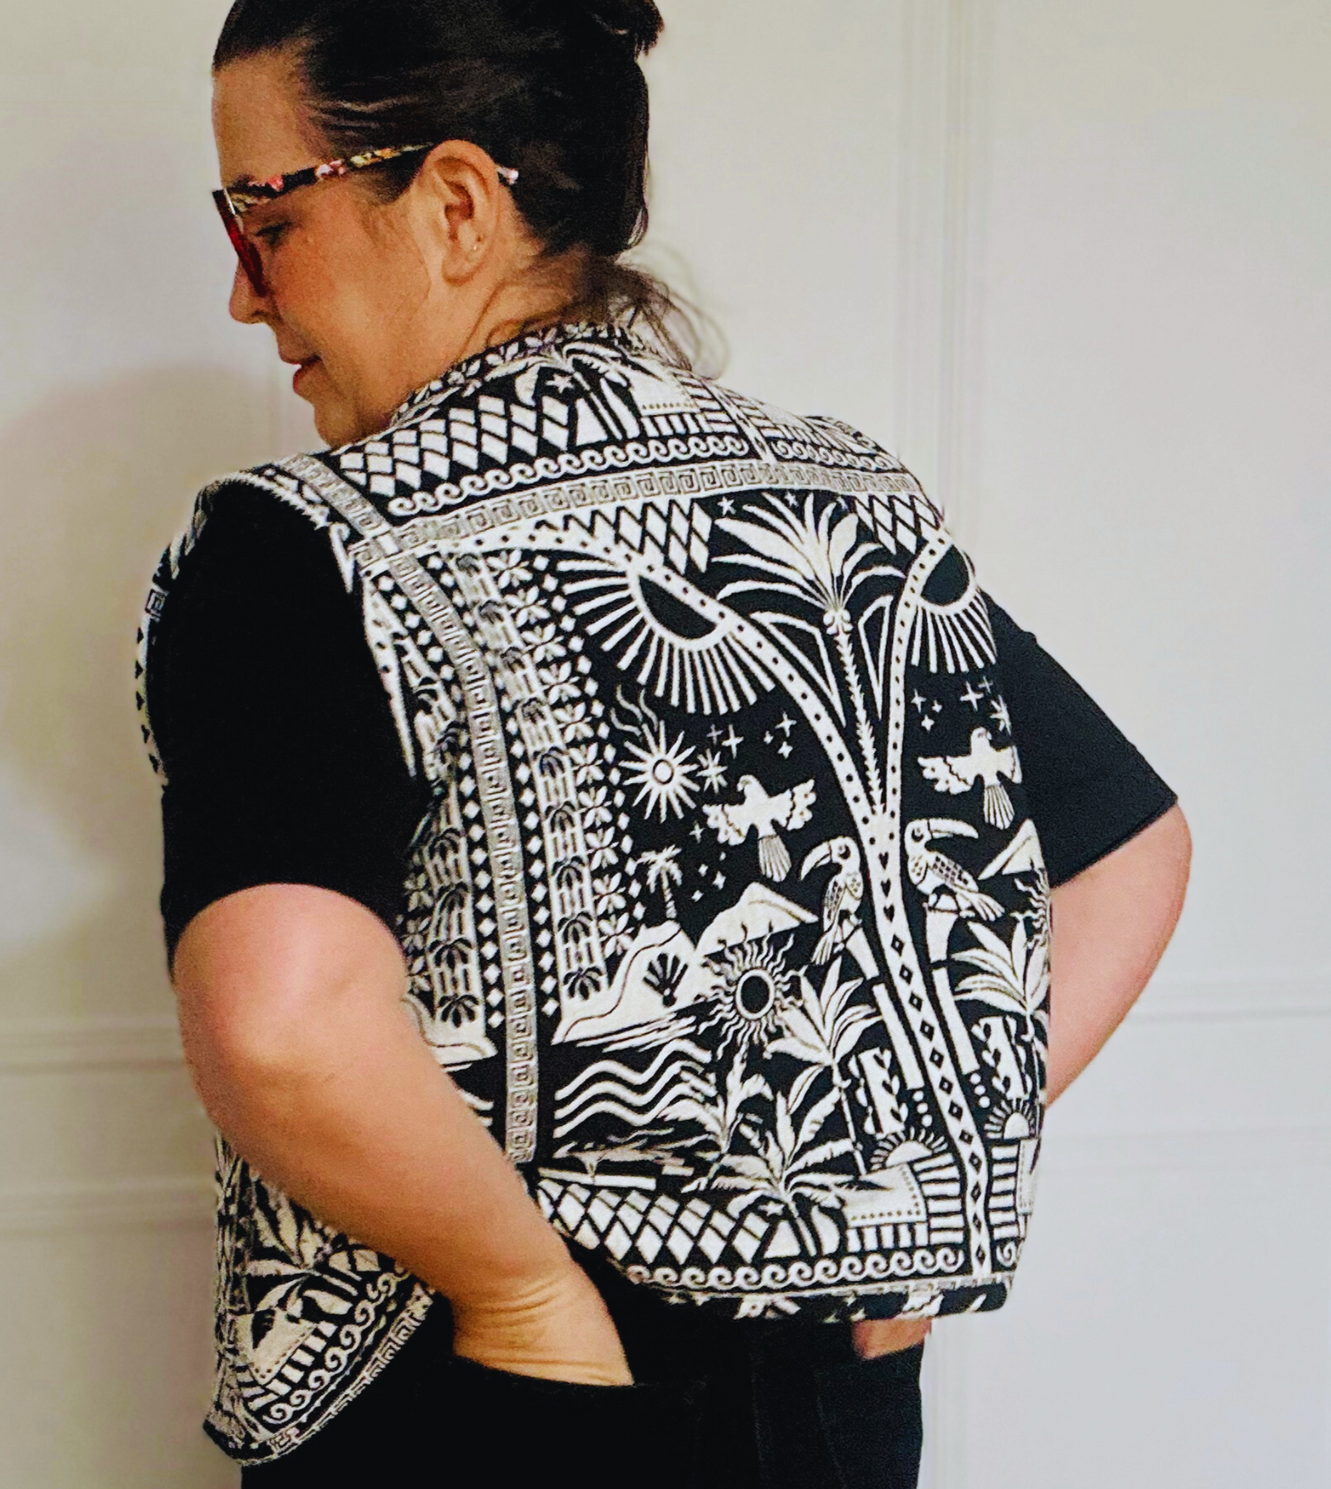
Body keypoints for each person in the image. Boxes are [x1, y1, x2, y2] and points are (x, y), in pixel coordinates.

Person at [139, 2, 1192, 1484]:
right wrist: (910, 1183)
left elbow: (283, 1021)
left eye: (264, 218)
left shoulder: (306, 550)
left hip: (487, 1391)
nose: (246, 297)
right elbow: (1128, 853)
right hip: (826, 1402)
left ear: (453, 206)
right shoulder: (847, 506)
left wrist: (523, 1290)